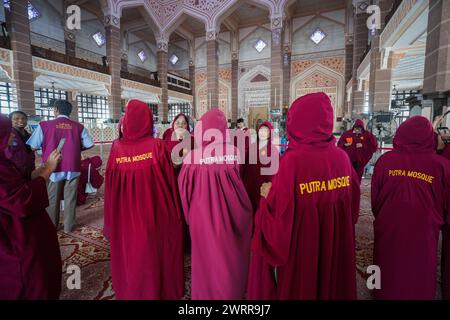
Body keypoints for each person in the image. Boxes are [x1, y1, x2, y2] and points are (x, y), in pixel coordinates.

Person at [248, 92, 360, 300]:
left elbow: (279, 220)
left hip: (303, 249)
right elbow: (352, 211)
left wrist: (267, 196)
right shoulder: (342, 158)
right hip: (333, 240)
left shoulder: (293, 161)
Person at [103, 99, 184, 300]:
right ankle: (157, 289)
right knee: (155, 250)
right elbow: (169, 181)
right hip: (154, 210)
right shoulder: (157, 146)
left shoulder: (116, 148)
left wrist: (110, 219)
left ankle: (132, 289)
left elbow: (110, 187)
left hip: (125, 213)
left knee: (130, 251)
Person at [371, 116, 450, 300]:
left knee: (385, 266)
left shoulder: (385, 162)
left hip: (389, 229)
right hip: (423, 234)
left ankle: (380, 292)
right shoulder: (442, 166)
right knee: (418, 272)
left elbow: (374, 200)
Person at [178, 108, 253, 300]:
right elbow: (238, 180)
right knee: (231, 255)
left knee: (205, 257)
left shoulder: (192, 158)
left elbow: (184, 191)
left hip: (201, 216)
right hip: (232, 213)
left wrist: (189, 217)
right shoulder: (234, 152)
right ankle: (232, 292)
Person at [0, 114, 62, 300]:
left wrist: (41, 170)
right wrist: (47, 171)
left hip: (22, 233)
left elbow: (20, 180)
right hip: (15, 240)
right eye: (5, 131)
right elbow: (21, 200)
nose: (10, 135)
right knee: (31, 282)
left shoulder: (5, 159)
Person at [27, 100, 94, 232]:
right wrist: (75, 148)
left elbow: (33, 146)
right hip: (73, 165)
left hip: (53, 166)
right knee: (71, 197)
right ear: (70, 111)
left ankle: (52, 225)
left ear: (55, 110)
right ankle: (69, 226)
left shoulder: (44, 125)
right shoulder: (79, 127)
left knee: (52, 197)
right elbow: (89, 144)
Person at [5, 111, 35, 178]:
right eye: (16, 118)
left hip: (30, 169)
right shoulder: (7, 136)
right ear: (10, 121)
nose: (21, 120)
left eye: (23, 118)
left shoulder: (30, 136)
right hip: (14, 172)